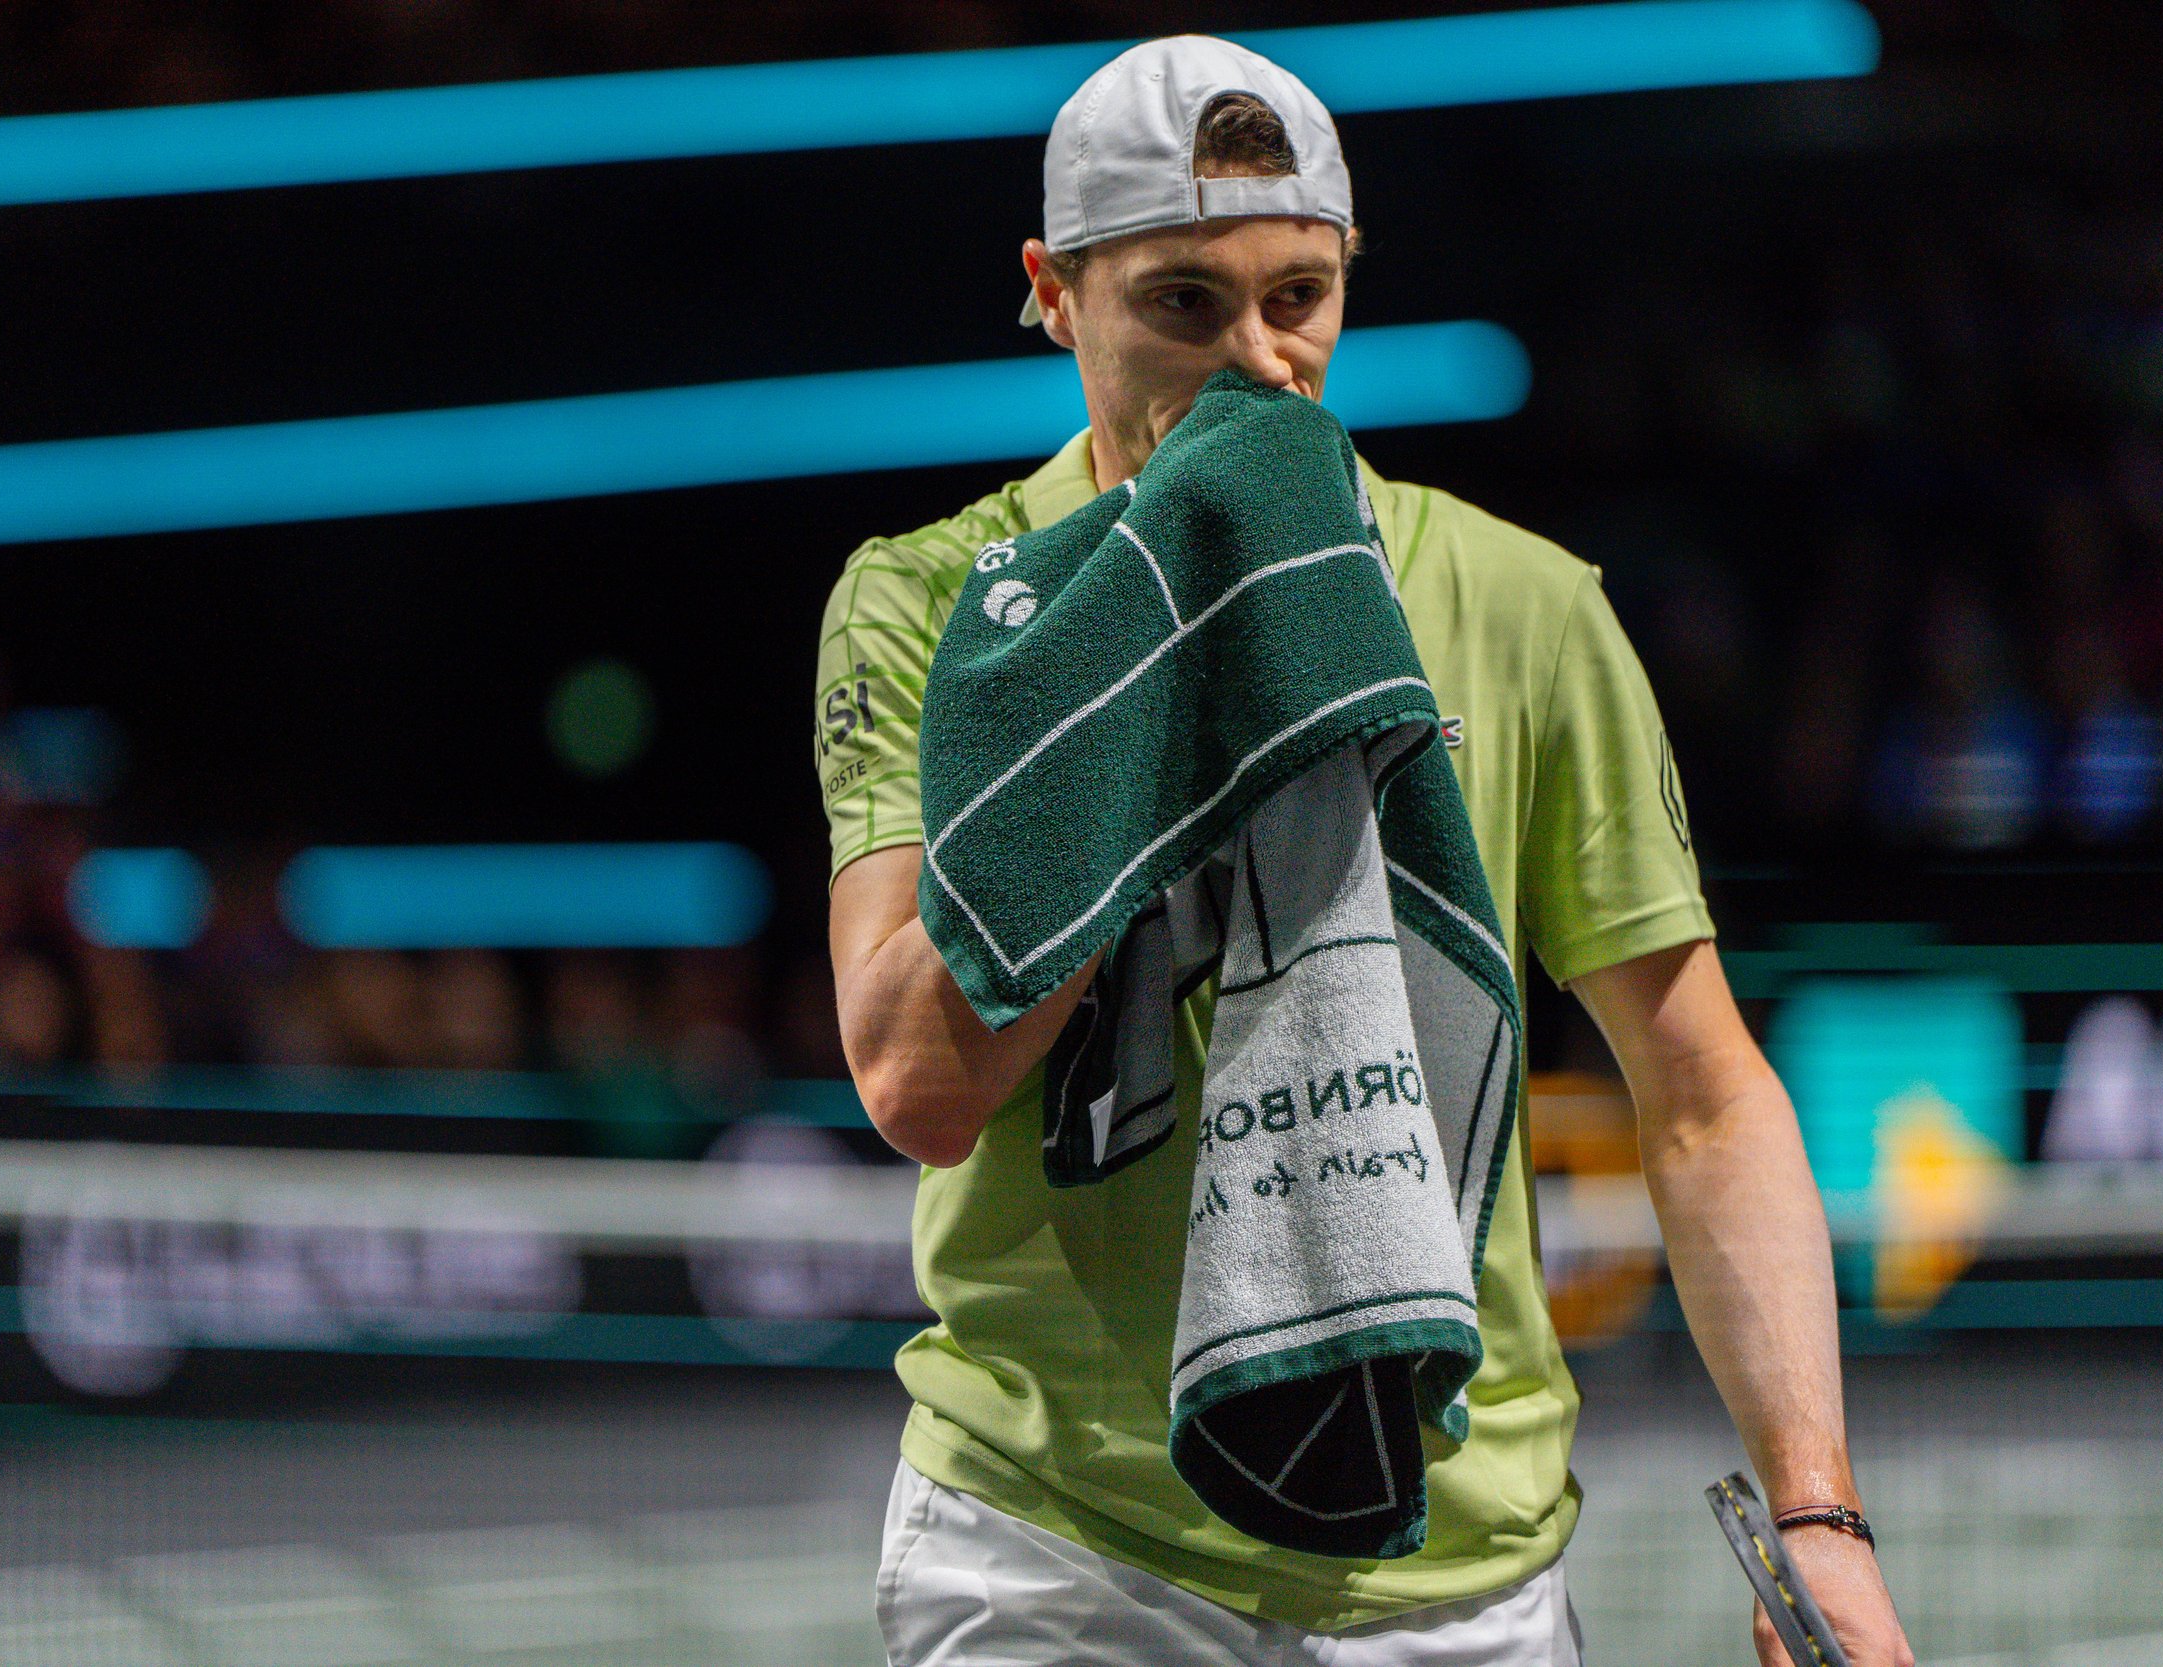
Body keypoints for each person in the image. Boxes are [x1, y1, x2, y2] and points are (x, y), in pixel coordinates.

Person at [816, 36, 1911, 1667]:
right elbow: (918, 1081)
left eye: (1298, 298)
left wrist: (1818, 1517)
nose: (1256, 362)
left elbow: (1700, 1093)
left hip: (1457, 1568)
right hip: (1062, 1548)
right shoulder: (939, 603)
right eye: (1184, 304)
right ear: (1054, 293)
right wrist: (1146, 646)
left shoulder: (1525, 606)